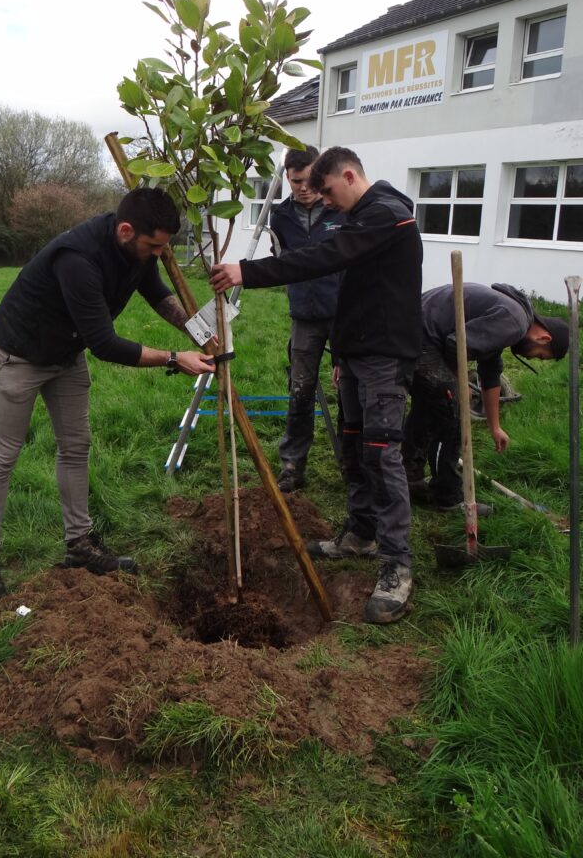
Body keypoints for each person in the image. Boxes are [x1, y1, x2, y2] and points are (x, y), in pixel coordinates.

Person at [0, 187, 216, 608]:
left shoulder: (136, 252)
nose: (161, 254)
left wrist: (202, 334)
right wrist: (176, 358)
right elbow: (104, 343)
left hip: (66, 353)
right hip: (21, 354)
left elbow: (157, 294)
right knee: (3, 454)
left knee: (76, 447)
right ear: (125, 231)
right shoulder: (78, 259)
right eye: (155, 245)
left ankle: (78, 543)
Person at [211, 147, 422, 624]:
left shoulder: (385, 216)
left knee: (381, 453)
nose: (323, 200)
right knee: (352, 446)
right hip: (358, 354)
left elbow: (324, 259)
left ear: (350, 175)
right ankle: (360, 534)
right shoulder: (364, 215)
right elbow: (354, 291)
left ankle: (397, 566)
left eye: (327, 190)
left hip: (385, 358)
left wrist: (249, 271)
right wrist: (343, 355)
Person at [403, 282, 569, 512]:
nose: (533, 359)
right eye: (541, 356)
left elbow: (490, 373)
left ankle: (409, 479)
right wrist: (457, 385)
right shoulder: (515, 321)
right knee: (452, 411)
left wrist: (495, 427)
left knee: (428, 404)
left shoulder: (511, 316)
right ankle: (446, 496)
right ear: (544, 338)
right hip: (421, 337)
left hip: (408, 326)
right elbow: (456, 345)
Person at [270, 145, 345, 493]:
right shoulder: (280, 216)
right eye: (295, 180)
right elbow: (281, 258)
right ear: (287, 178)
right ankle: (292, 465)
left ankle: (352, 464)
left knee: (350, 391)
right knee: (300, 392)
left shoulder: (339, 209)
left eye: (309, 178)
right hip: (304, 315)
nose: (303, 187)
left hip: (345, 314)